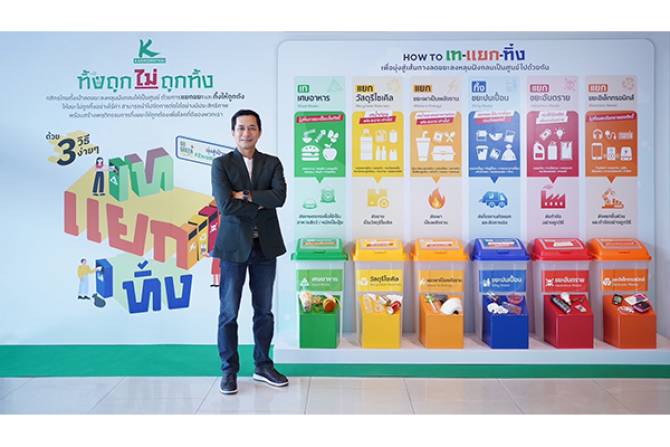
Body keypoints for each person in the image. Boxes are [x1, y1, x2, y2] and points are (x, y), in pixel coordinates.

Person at [211, 109, 288, 395]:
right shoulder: (221, 164)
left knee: (264, 312)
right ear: (233, 132)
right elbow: (225, 205)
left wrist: (244, 194)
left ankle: (263, 366)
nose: (246, 133)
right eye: (241, 128)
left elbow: (279, 197)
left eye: (252, 127)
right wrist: (260, 203)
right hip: (233, 248)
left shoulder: (272, 163)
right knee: (229, 313)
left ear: (259, 132)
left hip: (265, 248)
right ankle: (228, 371)